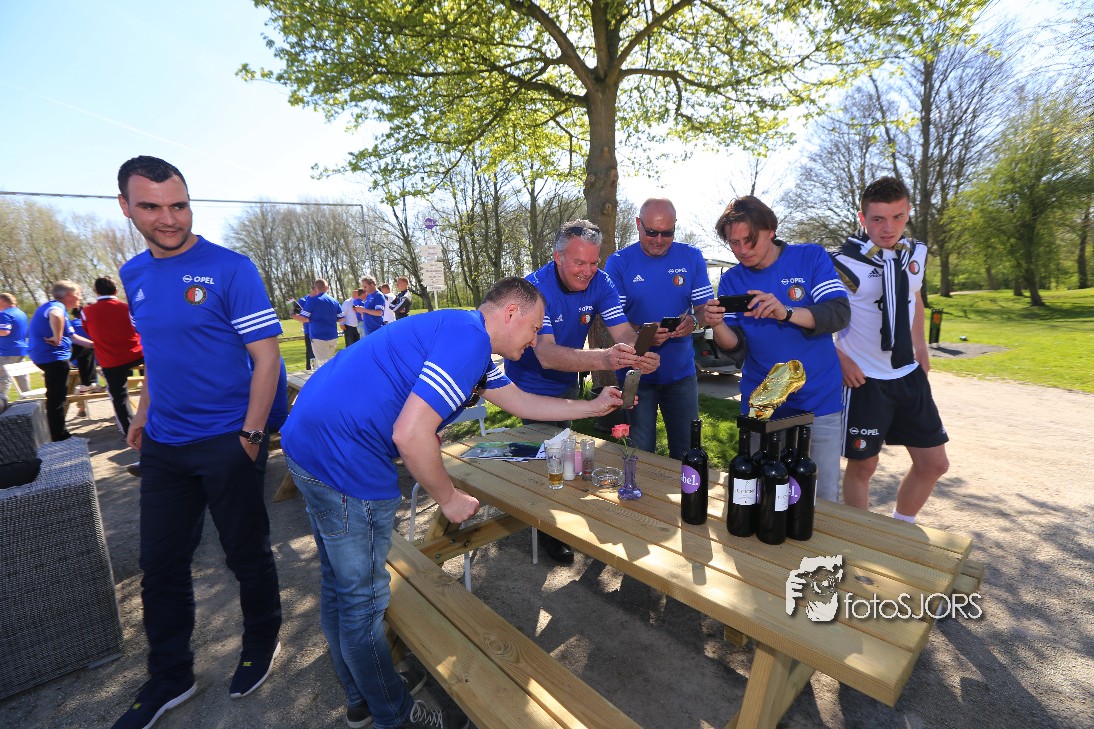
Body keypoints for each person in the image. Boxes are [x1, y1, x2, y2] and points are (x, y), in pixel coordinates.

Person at [281, 277, 623, 729]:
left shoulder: (463, 332)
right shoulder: (470, 341)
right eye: (535, 327)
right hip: (343, 460)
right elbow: (410, 434)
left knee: (340, 588)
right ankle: (394, 715)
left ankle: (364, 694)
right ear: (511, 313)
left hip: (305, 443)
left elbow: (522, 403)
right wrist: (449, 498)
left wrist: (592, 407)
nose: (535, 339)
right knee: (363, 603)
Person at [111, 155, 286, 729]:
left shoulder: (231, 268)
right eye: (151, 206)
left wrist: (251, 436)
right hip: (164, 446)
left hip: (227, 440)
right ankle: (170, 675)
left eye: (179, 205)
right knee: (159, 565)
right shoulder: (133, 273)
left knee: (246, 554)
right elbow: (157, 354)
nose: (169, 218)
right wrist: (143, 413)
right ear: (126, 207)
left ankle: (261, 639)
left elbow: (266, 361)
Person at [506, 219, 660, 562]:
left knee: (560, 454)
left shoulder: (601, 282)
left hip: (566, 383)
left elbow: (623, 332)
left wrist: (640, 352)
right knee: (547, 457)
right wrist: (605, 358)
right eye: (579, 262)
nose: (588, 271)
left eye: (594, 262)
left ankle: (551, 518)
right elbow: (545, 355)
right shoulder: (535, 289)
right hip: (528, 386)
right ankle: (545, 530)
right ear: (558, 257)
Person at [702, 196, 849, 501]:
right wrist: (717, 325)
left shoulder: (810, 257)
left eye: (749, 240)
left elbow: (838, 313)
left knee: (819, 498)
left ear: (771, 230)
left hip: (818, 398)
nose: (742, 250)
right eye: (734, 243)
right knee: (759, 494)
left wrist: (786, 312)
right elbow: (735, 348)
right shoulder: (732, 280)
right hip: (763, 402)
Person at [831, 176, 949, 522]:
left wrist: (921, 347)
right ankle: (863, 539)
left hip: (908, 373)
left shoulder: (916, 253)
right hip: (864, 379)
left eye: (898, 217)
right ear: (862, 218)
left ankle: (900, 529)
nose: (888, 228)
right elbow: (818, 318)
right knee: (864, 466)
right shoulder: (841, 262)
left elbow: (914, 297)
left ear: (908, 212)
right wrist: (839, 358)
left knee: (934, 464)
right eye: (878, 219)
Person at [604, 198, 712, 458]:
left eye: (667, 233)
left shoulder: (691, 257)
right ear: (638, 224)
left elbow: (705, 310)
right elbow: (613, 318)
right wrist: (643, 334)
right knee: (639, 452)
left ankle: (686, 487)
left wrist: (694, 322)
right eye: (651, 232)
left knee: (688, 451)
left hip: (681, 375)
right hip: (635, 375)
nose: (659, 240)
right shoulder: (619, 262)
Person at [27, 280, 94, 441]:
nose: (80, 298)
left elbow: (74, 338)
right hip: (53, 358)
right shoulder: (56, 307)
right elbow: (55, 315)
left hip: (54, 357)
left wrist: (98, 345)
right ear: (69, 295)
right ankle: (60, 435)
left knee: (86, 351)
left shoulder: (60, 309)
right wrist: (57, 338)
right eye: (78, 295)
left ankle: (88, 383)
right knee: (57, 398)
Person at [80, 276, 144, 436]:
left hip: (110, 359)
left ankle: (129, 432)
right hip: (136, 353)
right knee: (157, 383)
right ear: (116, 290)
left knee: (119, 397)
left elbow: (89, 332)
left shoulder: (86, 312)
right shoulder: (127, 308)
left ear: (95, 291)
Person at [293, 278, 343, 363]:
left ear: (316, 288)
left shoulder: (312, 300)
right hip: (333, 336)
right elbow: (341, 318)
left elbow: (303, 318)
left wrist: (292, 314)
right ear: (327, 288)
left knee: (322, 363)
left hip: (319, 336)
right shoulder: (334, 300)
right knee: (329, 361)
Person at [0, 292, 30, 413]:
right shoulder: (21, 313)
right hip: (21, 349)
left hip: (7, 350)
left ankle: (1, 406)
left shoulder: (4, 313)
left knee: (3, 378)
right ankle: (29, 404)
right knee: (22, 377)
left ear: (2, 301)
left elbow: (4, 331)